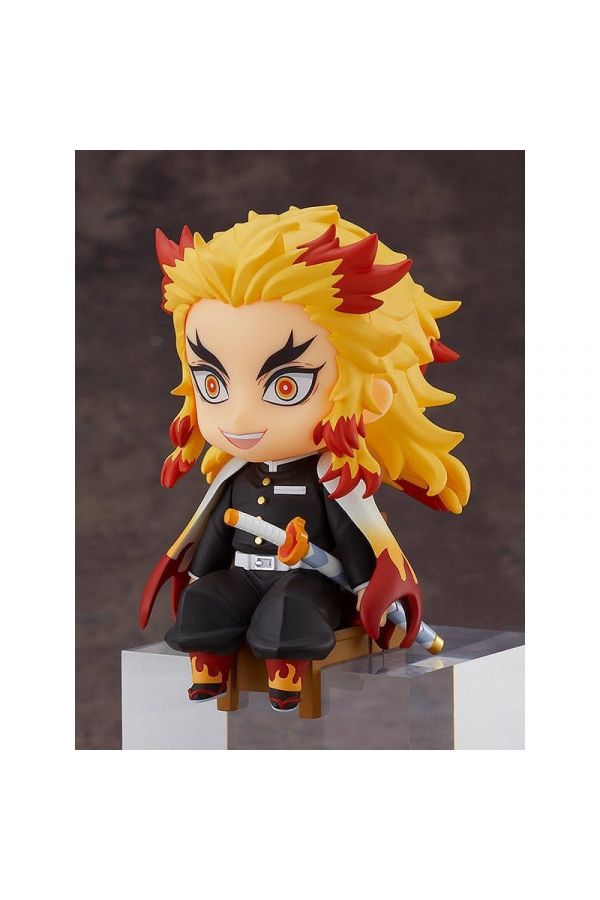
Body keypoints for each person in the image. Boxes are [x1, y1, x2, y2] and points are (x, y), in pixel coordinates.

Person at [140, 205, 470, 712]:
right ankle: (209, 665)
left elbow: (354, 540)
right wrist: (201, 577)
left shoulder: (332, 481)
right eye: (212, 383)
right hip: (242, 573)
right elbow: (213, 538)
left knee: (290, 611)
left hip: (310, 581)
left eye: (285, 386)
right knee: (205, 602)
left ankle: (287, 675)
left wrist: (367, 588)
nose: (239, 415)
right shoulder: (234, 476)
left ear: (371, 390)